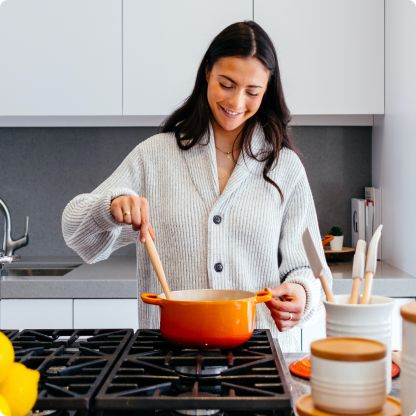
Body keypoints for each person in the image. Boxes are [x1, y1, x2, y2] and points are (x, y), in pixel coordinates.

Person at [62, 21, 332, 352]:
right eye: (227, 84)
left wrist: (301, 294)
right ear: (207, 72)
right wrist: (110, 207)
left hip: (260, 363)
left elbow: (311, 270)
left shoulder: (283, 167)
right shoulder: (156, 156)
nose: (236, 102)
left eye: (252, 91)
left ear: (267, 90)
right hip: (167, 360)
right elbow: (74, 229)